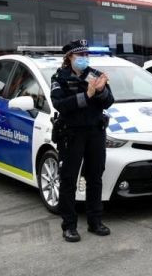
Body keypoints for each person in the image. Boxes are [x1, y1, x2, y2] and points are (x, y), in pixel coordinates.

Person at [51, 39, 113, 243]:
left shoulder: (94, 74)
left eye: (86, 55)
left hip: (95, 132)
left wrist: (102, 90)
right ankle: (69, 226)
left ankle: (95, 222)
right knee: (69, 180)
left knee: (95, 177)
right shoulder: (59, 77)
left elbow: (109, 101)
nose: (84, 59)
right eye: (80, 55)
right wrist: (87, 94)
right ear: (69, 57)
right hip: (72, 134)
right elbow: (60, 104)